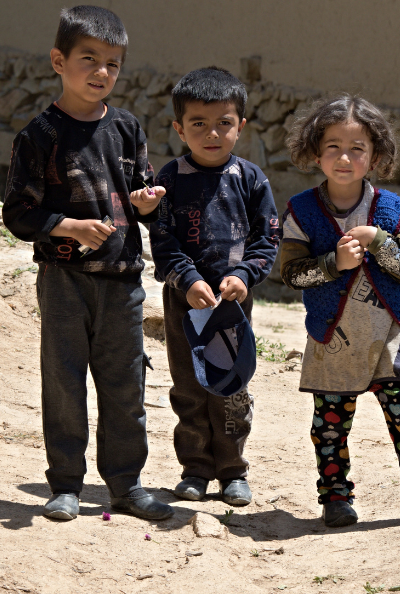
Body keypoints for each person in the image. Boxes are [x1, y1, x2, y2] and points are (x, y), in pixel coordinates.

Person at [0, 6, 174, 521]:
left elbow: (141, 194)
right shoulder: (39, 135)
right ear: (59, 61)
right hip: (64, 281)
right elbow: (18, 212)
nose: (102, 72)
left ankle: (126, 485)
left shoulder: (127, 128)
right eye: (89, 59)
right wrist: (69, 227)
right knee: (64, 383)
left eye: (113, 64)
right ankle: (66, 485)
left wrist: (148, 203)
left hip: (123, 279)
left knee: (126, 386)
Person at [277, 93, 400, 527]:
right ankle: (335, 498)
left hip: (388, 334)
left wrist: (378, 240)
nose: (344, 158)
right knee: (330, 424)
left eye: (357, 148)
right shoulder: (301, 212)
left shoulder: (391, 209)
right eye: (333, 146)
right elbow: (292, 274)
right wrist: (334, 263)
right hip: (333, 337)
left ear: (375, 156)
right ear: (315, 152)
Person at [149, 67, 280, 506]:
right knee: (188, 386)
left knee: (230, 385)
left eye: (224, 123)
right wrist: (187, 281)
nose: (212, 133)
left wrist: (243, 276)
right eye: (199, 124)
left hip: (231, 306)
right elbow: (162, 240)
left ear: (240, 126)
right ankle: (195, 469)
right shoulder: (170, 179)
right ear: (179, 129)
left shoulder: (251, 179)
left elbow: (267, 239)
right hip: (183, 304)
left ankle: (232, 470)